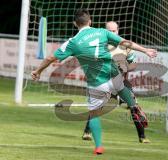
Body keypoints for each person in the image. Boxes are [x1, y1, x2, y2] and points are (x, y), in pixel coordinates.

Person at [31, 9, 157, 155]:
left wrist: (37, 71)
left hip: (97, 83)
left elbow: (50, 58)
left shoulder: (73, 42)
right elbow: (125, 42)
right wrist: (145, 50)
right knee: (121, 86)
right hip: (114, 74)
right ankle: (134, 105)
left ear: (74, 23)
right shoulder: (102, 32)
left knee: (94, 114)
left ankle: (98, 146)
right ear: (90, 21)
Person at [82, 21, 150, 143]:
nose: (112, 33)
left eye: (114, 31)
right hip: (104, 80)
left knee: (133, 106)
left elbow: (130, 64)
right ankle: (87, 132)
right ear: (105, 31)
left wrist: (125, 71)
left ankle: (142, 136)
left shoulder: (125, 46)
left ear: (118, 31)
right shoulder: (100, 45)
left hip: (121, 80)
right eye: (109, 31)